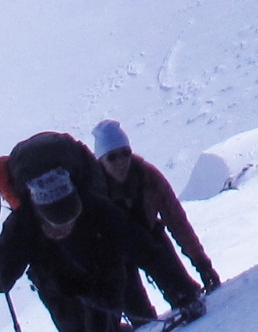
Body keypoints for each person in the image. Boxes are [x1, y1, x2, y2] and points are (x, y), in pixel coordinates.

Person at [0, 126, 195, 332]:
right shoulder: (22, 227)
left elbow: (146, 249)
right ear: (40, 215)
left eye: (71, 220)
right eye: (58, 226)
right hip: (61, 285)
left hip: (101, 274)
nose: (66, 229)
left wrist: (183, 293)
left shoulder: (96, 207)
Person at [86, 118, 219, 309]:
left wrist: (202, 264)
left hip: (151, 239)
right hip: (116, 254)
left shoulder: (148, 177)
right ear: (100, 160)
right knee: (139, 313)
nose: (121, 161)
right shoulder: (94, 190)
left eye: (125, 153)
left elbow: (176, 220)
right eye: (112, 157)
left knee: (185, 293)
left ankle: (185, 296)